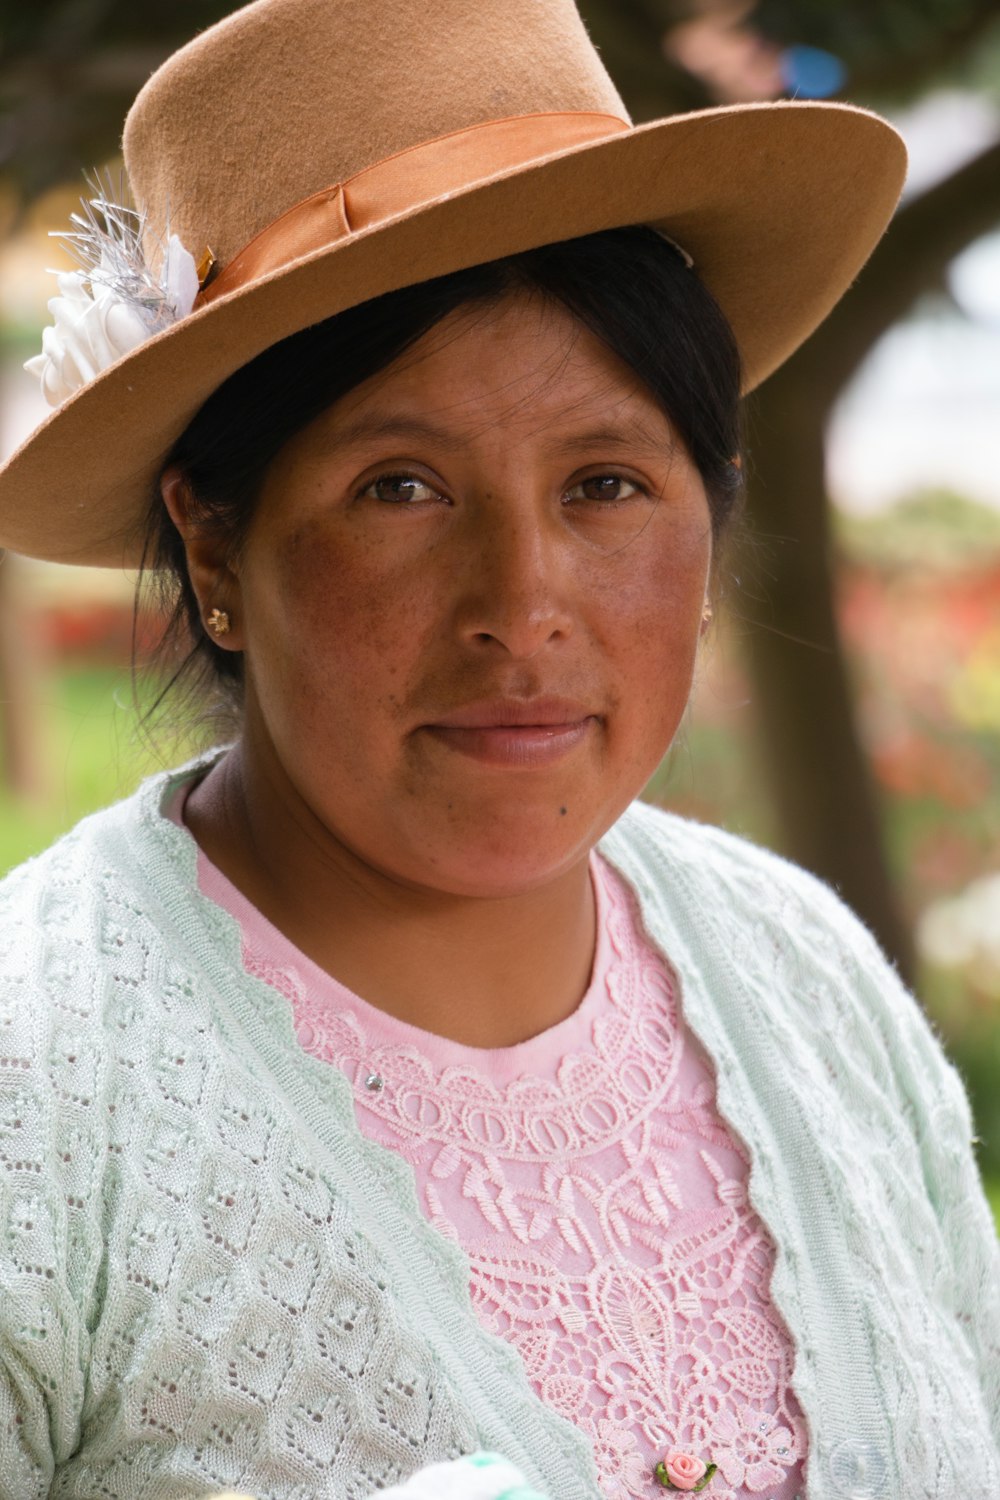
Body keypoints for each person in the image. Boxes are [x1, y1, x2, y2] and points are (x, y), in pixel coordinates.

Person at [0, 1, 997, 1497]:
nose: (523, 609)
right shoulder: (45, 1095)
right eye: (401, 487)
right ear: (214, 537)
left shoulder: (805, 979)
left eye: (606, 483)